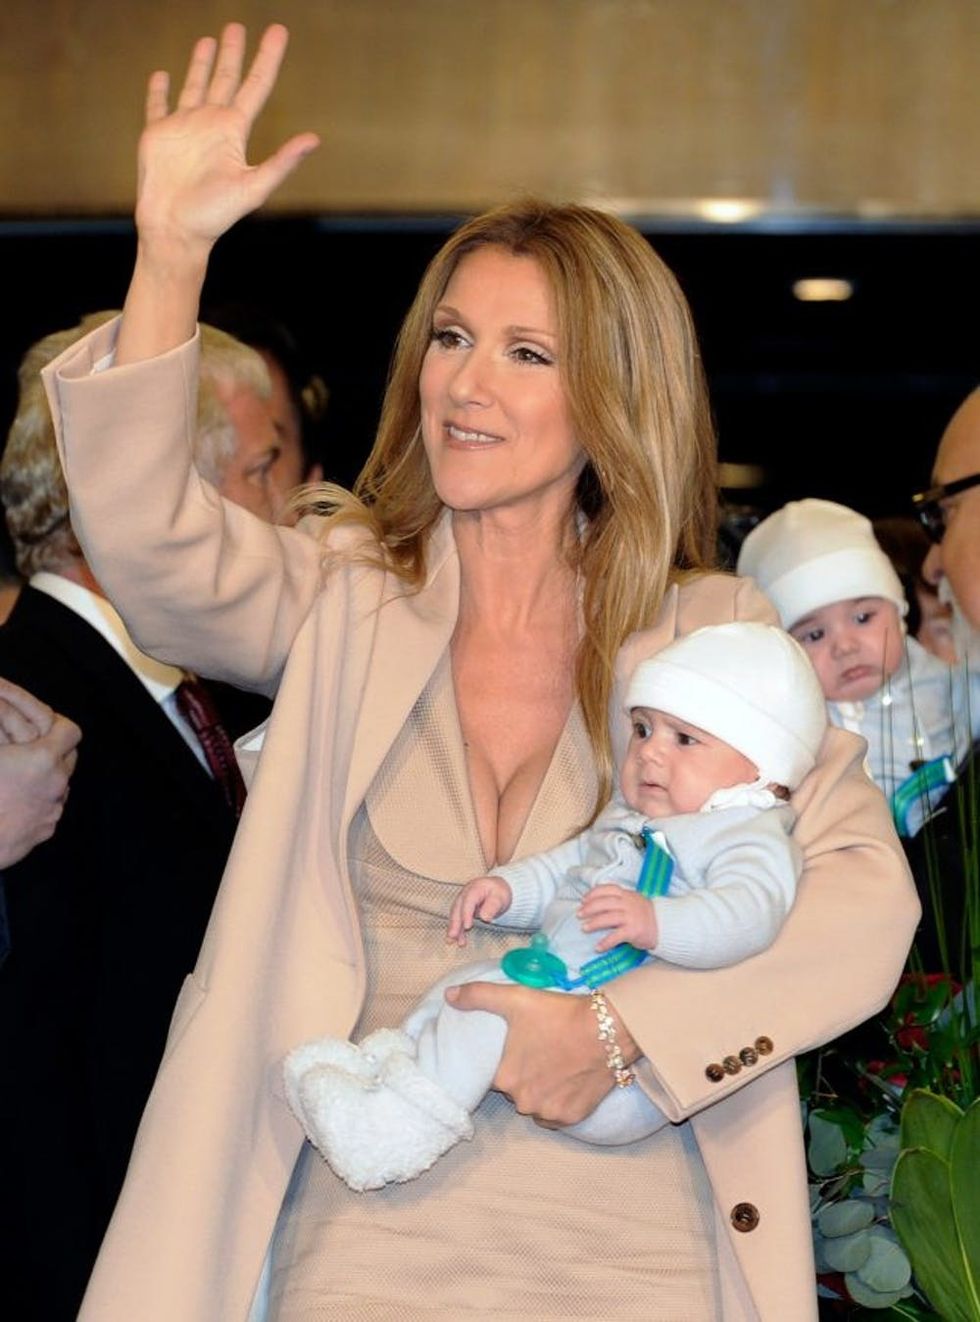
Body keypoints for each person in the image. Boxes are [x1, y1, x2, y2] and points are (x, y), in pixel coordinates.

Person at [39, 24, 917, 1321]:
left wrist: (628, 1033)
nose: (465, 381)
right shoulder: (342, 598)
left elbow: (864, 903)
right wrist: (170, 253)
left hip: (638, 1246)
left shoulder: (714, 629)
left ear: (613, 395)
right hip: (358, 1236)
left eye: (526, 351)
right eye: (452, 338)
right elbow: (153, 545)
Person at [286, 622, 827, 1191]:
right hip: (559, 988)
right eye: (643, 730)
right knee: (463, 988)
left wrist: (656, 922)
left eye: (684, 739)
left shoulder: (748, 837)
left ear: (762, 768)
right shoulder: (632, 816)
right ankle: (389, 1069)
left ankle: (390, 1137)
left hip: (623, 1075)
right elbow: (568, 865)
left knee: (478, 1015)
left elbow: (750, 914)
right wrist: (509, 890)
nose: (649, 755)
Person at [0, 313, 277, 1321]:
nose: (280, 515)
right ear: (159, 501)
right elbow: (34, 1076)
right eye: (258, 472)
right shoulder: (25, 713)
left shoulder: (195, 702)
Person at [737, 498, 973, 836]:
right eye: (814, 634)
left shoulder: (944, 684)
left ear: (900, 613)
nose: (845, 646)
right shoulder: (795, 728)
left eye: (863, 617)